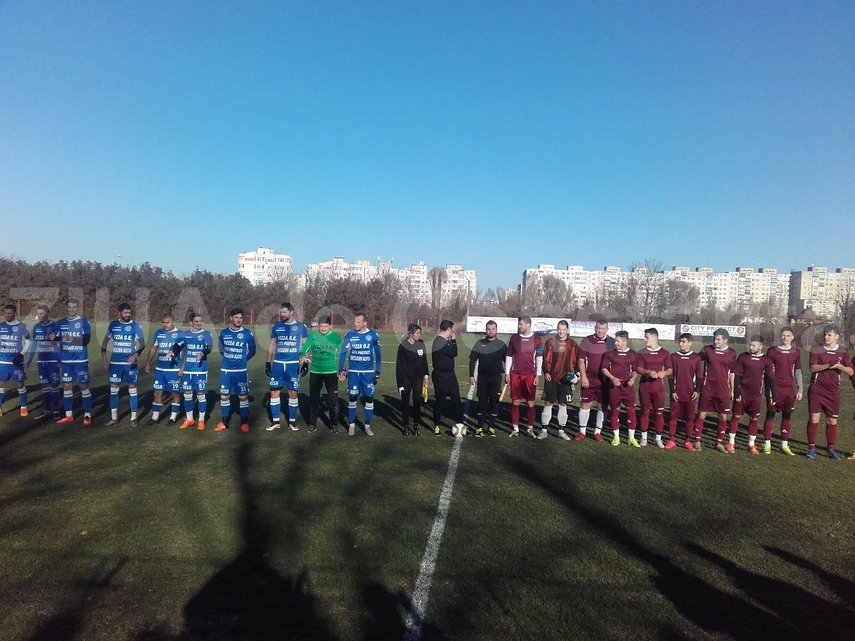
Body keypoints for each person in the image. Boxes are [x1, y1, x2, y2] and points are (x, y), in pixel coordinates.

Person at [805, 324, 853, 460]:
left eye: (829, 335)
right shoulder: (816, 349)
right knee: (814, 418)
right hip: (816, 389)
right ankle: (811, 448)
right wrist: (829, 365)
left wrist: (840, 367)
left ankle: (830, 449)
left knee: (832, 420)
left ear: (837, 337)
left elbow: (850, 371)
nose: (826, 337)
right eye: (825, 334)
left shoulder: (843, 351)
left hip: (833, 391)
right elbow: (812, 368)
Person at [728, 335, 775, 454]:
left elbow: (770, 378)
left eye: (754, 345)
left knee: (754, 419)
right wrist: (737, 392)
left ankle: (751, 444)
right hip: (743, 393)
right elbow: (737, 375)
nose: (751, 347)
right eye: (750, 344)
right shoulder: (743, 357)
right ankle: (731, 443)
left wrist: (773, 394)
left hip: (756, 396)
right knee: (736, 417)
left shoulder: (767, 360)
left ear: (761, 346)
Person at [265, 302, 308, 432]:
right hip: (278, 364)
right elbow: (272, 344)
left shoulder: (301, 326)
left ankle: (292, 421)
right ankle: (276, 421)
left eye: (284, 312)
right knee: (274, 391)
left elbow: (305, 345)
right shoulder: (277, 326)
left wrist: (305, 361)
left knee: (292, 392)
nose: (282, 314)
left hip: (292, 365)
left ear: (291, 312)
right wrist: (268, 362)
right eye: (281, 312)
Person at [101, 303, 145, 426]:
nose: (128, 315)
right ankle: (114, 418)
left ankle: (133, 418)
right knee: (114, 389)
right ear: (120, 312)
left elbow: (142, 344)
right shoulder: (113, 325)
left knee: (132, 389)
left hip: (130, 363)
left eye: (129, 313)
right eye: (125, 313)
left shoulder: (135, 326)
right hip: (115, 363)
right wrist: (104, 357)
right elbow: (105, 342)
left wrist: (135, 355)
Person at [338, 312, 381, 436]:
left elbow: (378, 355)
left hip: (368, 374)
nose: (355, 324)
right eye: (355, 321)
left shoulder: (373, 335)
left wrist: (378, 370)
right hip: (353, 373)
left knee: (369, 398)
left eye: (358, 322)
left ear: (365, 323)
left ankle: (367, 425)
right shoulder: (350, 335)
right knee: (352, 398)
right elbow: (343, 353)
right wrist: (341, 370)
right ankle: (351, 425)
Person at [695, 328, 737, 453]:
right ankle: (697, 441)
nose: (715, 341)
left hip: (723, 390)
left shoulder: (732, 353)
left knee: (723, 417)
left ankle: (718, 443)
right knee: (702, 414)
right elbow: (695, 361)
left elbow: (732, 372)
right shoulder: (707, 349)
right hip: (708, 388)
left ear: (725, 340)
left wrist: (732, 389)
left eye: (718, 339)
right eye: (714, 339)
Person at [763, 327, 802, 455]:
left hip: (789, 389)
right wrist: (768, 389)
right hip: (775, 388)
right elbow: (767, 372)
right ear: (780, 336)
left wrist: (800, 389)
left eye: (788, 335)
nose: (785, 338)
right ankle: (767, 444)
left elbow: (798, 372)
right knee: (770, 414)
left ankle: (784, 445)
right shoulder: (772, 351)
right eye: (783, 335)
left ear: (792, 337)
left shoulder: (796, 352)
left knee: (787, 416)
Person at [216, 308, 257, 433]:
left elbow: (253, 351)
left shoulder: (247, 334)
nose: (238, 320)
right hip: (226, 370)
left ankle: (244, 422)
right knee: (224, 396)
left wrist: (243, 360)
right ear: (231, 318)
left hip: (241, 371)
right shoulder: (223, 333)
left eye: (240, 317)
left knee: (243, 397)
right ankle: (224, 421)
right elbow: (221, 349)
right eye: (236, 317)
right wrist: (229, 359)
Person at [53, 298, 92, 425]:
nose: (71, 310)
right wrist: (53, 338)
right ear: (66, 308)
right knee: (67, 386)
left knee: (83, 386)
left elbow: (86, 340)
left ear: (78, 308)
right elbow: (57, 341)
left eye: (74, 307)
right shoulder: (60, 323)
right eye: (69, 307)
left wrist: (72, 338)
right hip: (66, 361)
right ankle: (68, 415)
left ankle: (87, 415)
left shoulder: (84, 322)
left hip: (80, 360)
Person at [301, 315, 342, 433]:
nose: (323, 329)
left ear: (330, 326)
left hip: (331, 372)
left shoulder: (335, 337)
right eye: (321, 326)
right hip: (315, 372)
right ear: (318, 326)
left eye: (325, 326)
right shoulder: (313, 336)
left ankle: (334, 425)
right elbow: (304, 349)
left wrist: (342, 370)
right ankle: (312, 424)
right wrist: (303, 355)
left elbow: (343, 353)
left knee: (333, 401)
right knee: (314, 400)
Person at [576, 320, 615, 441]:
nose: (600, 331)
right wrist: (583, 376)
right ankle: (582, 432)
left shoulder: (612, 342)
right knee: (585, 404)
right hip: (589, 379)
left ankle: (597, 432)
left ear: (607, 329)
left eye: (603, 329)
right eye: (598, 328)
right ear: (595, 328)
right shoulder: (587, 340)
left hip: (605, 380)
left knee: (602, 406)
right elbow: (581, 360)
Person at [505, 315, 543, 437]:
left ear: (528, 324)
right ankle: (515, 428)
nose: (519, 326)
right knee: (515, 401)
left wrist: (538, 375)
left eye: (521, 324)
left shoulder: (537, 339)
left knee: (530, 402)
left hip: (530, 375)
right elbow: (509, 356)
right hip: (515, 374)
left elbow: (539, 358)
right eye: (519, 324)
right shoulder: (514, 338)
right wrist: (507, 373)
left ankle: (530, 428)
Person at [540, 320, 579, 440]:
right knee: (548, 403)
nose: (561, 331)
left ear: (567, 330)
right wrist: (546, 371)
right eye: (559, 329)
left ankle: (561, 430)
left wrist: (576, 375)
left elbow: (577, 361)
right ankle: (544, 430)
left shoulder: (573, 344)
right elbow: (546, 359)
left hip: (565, 379)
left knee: (563, 404)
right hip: (551, 377)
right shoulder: (550, 342)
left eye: (563, 329)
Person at [468, 320, 507, 438]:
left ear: (496, 330)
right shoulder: (479, 343)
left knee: (494, 403)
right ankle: (480, 428)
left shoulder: (501, 345)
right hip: (483, 378)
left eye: (493, 329)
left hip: (496, 378)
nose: (491, 331)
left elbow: (508, 361)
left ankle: (491, 427)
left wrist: (508, 374)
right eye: (489, 329)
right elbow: (472, 360)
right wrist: (471, 375)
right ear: (486, 330)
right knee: (482, 403)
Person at [635, 327, 673, 448]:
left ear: (655, 338)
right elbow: (638, 369)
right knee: (645, 412)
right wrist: (647, 372)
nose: (645, 339)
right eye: (645, 337)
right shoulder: (641, 352)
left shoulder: (665, 353)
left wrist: (664, 373)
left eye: (647, 337)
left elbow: (670, 369)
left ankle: (658, 439)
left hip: (659, 389)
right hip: (645, 387)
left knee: (659, 413)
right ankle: (644, 438)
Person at [145, 313, 184, 426]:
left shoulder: (180, 334)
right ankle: (155, 417)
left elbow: (182, 351)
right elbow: (153, 348)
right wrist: (148, 362)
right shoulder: (159, 333)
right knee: (157, 393)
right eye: (163, 322)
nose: (165, 325)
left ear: (173, 322)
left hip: (174, 370)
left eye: (168, 322)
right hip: (160, 369)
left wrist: (182, 368)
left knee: (175, 394)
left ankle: (172, 418)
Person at [601, 330, 638, 446]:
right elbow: (604, 368)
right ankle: (616, 438)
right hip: (614, 389)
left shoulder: (633, 354)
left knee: (631, 413)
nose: (615, 343)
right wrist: (612, 378)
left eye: (618, 341)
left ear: (625, 341)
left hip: (628, 390)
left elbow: (635, 371)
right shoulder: (610, 354)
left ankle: (631, 438)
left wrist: (633, 379)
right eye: (615, 341)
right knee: (615, 413)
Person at [177, 312, 213, 430]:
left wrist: (202, 353)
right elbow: (177, 346)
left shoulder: (207, 334)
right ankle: (190, 419)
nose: (198, 323)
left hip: (200, 370)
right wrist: (172, 351)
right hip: (187, 370)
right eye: (196, 321)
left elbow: (209, 348)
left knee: (200, 394)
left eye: (200, 321)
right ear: (191, 322)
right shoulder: (185, 334)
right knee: (187, 395)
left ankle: (201, 420)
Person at [668, 333, 703, 451]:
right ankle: (671, 440)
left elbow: (699, 376)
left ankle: (687, 441)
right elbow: (671, 376)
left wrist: (697, 390)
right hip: (676, 393)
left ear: (690, 343)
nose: (681, 344)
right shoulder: (674, 356)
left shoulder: (696, 358)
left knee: (690, 418)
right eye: (680, 341)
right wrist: (672, 391)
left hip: (690, 394)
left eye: (683, 341)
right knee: (673, 417)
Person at [431, 320, 465, 437]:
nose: (453, 331)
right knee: (440, 401)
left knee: (456, 400)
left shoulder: (445, 341)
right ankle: (436, 426)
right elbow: (454, 353)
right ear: (449, 329)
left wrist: (451, 341)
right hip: (441, 376)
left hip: (450, 375)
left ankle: (461, 425)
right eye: (452, 328)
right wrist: (454, 340)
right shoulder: (439, 341)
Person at [27, 304, 61, 420]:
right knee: (44, 386)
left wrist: (59, 360)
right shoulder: (36, 327)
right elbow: (34, 344)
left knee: (54, 386)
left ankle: (56, 410)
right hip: (41, 361)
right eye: (38, 313)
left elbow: (59, 344)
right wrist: (29, 360)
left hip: (52, 361)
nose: (40, 316)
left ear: (48, 314)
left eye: (42, 313)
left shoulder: (55, 326)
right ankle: (47, 410)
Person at [396, 323, 429, 436]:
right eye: (417, 333)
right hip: (406, 378)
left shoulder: (421, 343)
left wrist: (426, 376)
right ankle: (405, 426)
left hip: (418, 377)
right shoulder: (403, 346)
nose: (419, 335)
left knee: (416, 401)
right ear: (411, 333)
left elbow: (424, 361)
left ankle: (416, 424)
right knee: (405, 402)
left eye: (420, 333)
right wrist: (400, 384)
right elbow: (399, 366)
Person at [0, 304, 31, 418]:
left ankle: (23, 407)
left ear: (14, 313)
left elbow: (27, 342)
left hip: (16, 362)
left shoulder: (22, 326)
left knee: (19, 384)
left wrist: (21, 354)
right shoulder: (1, 326)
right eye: (5, 313)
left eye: (9, 313)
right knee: (1, 384)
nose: (7, 315)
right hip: (2, 361)